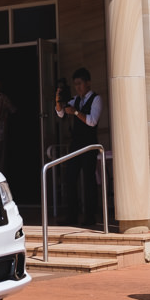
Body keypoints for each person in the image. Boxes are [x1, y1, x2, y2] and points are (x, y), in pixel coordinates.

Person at [53, 67, 102, 226]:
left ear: (88, 83)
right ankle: (71, 215)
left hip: (89, 144)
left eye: (80, 83)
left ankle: (89, 217)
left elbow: (92, 121)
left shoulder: (96, 99)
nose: (78, 87)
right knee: (70, 178)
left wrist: (74, 112)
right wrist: (59, 102)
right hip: (76, 144)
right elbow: (60, 114)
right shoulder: (75, 100)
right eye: (75, 84)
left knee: (88, 180)